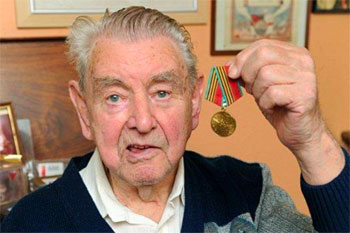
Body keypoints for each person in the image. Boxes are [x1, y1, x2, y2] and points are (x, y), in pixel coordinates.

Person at [2, 6, 349, 233]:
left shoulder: (249, 192)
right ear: (84, 111)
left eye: (162, 93)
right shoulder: (29, 223)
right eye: (115, 97)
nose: (142, 120)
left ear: (195, 101)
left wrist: (312, 141)